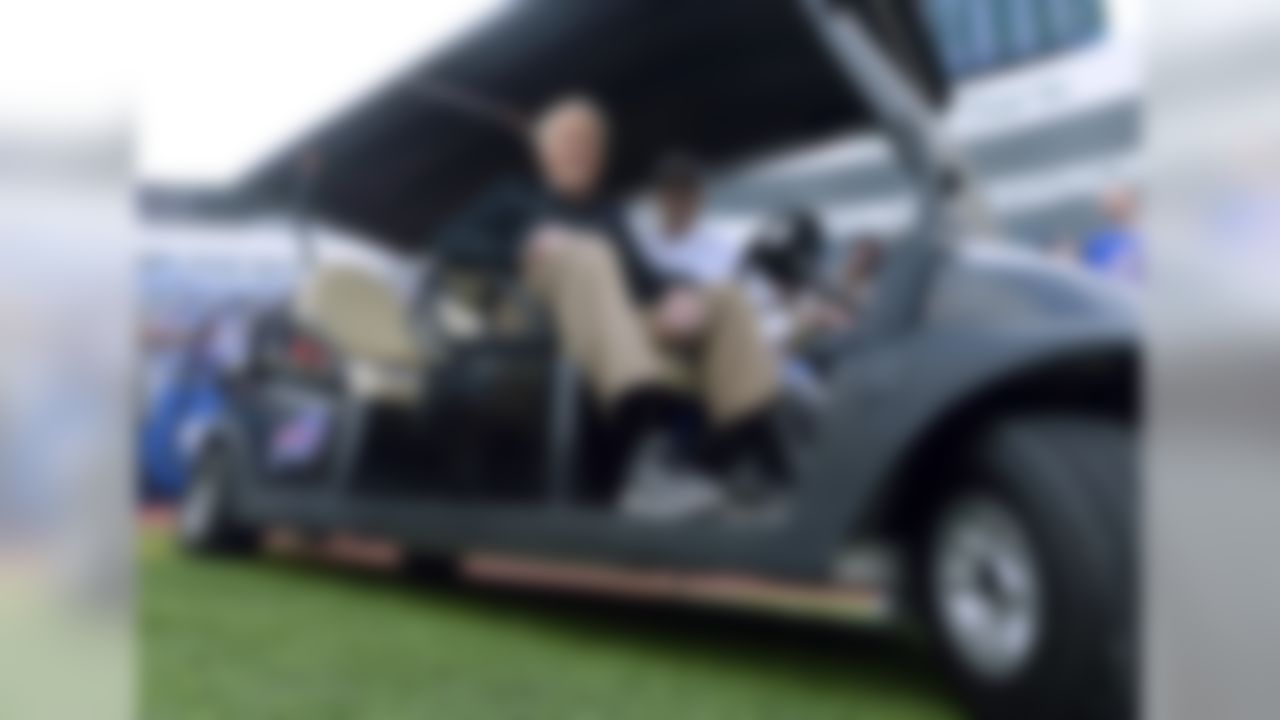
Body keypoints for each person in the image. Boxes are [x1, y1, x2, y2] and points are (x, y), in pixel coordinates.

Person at [434, 96, 786, 518]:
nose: (583, 151)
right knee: (588, 252)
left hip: (609, 323)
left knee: (724, 297)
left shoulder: (610, 214)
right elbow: (450, 244)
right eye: (570, 140)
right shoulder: (511, 196)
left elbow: (645, 278)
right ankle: (639, 466)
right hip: (529, 324)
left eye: (593, 143)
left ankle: (750, 458)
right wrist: (521, 246)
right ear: (543, 151)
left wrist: (682, 292)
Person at [632, 153, 742, 287]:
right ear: (658, 196)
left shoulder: (727, 250)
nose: (680, 198)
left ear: (700, 196)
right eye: (673, 190)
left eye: (686, 190)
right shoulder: (639, 252)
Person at [1083, 186, 1142, 282]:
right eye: (1111, 203)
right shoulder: (1098, 241)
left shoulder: (1138, 240)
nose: (1113, 207)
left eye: (1118, 203)